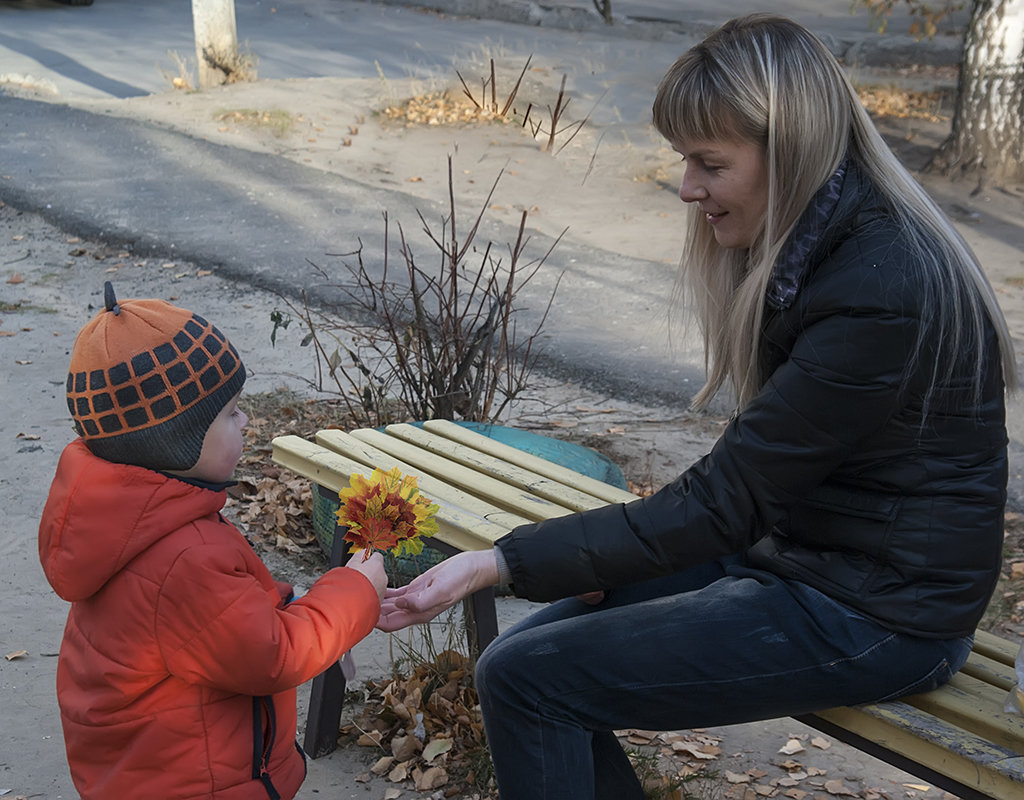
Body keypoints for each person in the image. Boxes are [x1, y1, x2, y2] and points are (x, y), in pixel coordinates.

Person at [377, 13, 1017, 800]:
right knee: (522, 666)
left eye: (709, 163)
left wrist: (502, 560)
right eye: (686, 160)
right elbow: (751, 491)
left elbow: (728, 499)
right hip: (801, 559)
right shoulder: (831, 245)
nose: (687, 188)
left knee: (530, 678)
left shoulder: (882, 290)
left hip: (883, 616)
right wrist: (582, 561)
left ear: (792, 152)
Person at [38, 282, 388, 800]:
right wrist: (356, 592)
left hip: (147, 774)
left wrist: (307, 612)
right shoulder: (181, 557)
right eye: (228, 413)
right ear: (175, 440)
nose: (245, 420)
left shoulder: (137, 518)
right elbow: (273, 656)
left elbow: (225, 621)